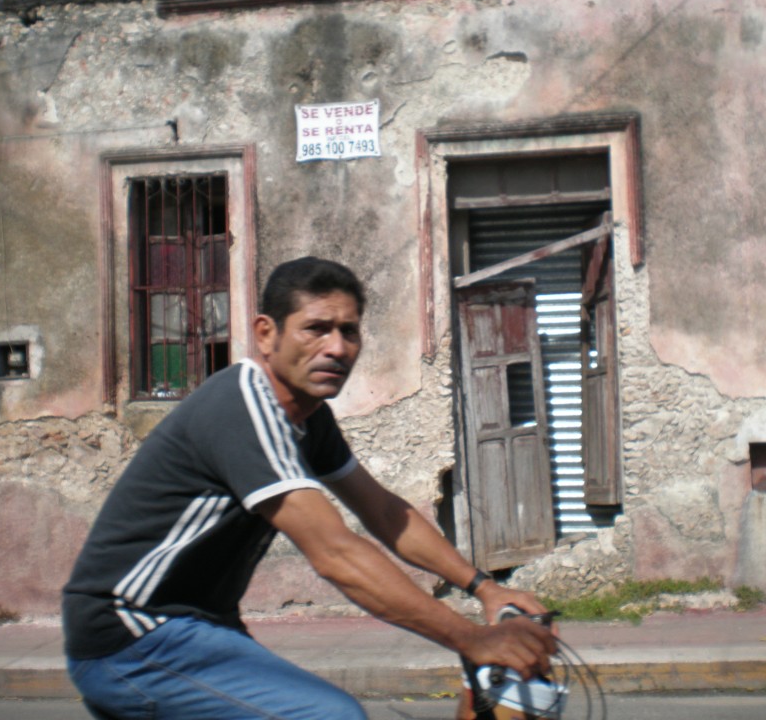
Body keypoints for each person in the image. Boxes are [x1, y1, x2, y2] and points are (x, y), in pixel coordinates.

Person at [62, 256, 556, 719]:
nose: (337, 348)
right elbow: (335, 553)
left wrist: (484, 587)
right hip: (132, 637)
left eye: (349, 332)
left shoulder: (308, 418)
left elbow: (384, 512)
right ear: (266, 334)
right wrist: (468, 638)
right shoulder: (243, 407)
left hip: (198, 630)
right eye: (316, 329)